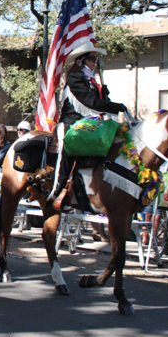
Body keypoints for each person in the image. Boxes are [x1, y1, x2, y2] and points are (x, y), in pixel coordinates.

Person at [54, 40, 127, 213]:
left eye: (96, 59)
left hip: (92, 123)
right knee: (67, 152)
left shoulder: (93, 81)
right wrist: (115, 106)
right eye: (92, 58)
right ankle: (59, 191)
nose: (95, 62)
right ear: (82, 60)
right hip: (72, 122)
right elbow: (90, 102)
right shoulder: (75, 78)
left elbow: (100, 103)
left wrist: (107, 98)